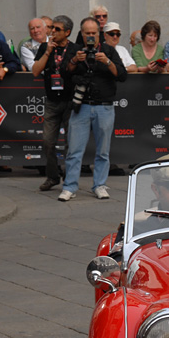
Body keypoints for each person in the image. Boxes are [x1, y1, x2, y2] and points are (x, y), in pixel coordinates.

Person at [58, 16, 126, 202]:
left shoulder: (109, 51)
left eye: (94, 33)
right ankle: (70, 186)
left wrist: (107, 62)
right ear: (81, 33)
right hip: (81, 106)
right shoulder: (74, 50)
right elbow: (63, 72)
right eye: (87, 33)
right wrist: (73, 60)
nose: (90, 36)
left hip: (104, 106)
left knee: (103, 151)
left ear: (100, 34)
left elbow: (122, 75)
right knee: (74, 150)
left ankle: (100, 185)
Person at [32, 15, 75, 192]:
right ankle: (52, 177)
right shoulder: (45, 47)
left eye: (57, 29)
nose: (53, 32)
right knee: (48, 141)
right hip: (52, 101)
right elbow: (35, 71)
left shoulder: (75, 49)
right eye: (52, 28)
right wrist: (48, 51)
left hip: (70, 102)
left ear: (67, 32)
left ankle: (69, 177)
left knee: (70, 143)